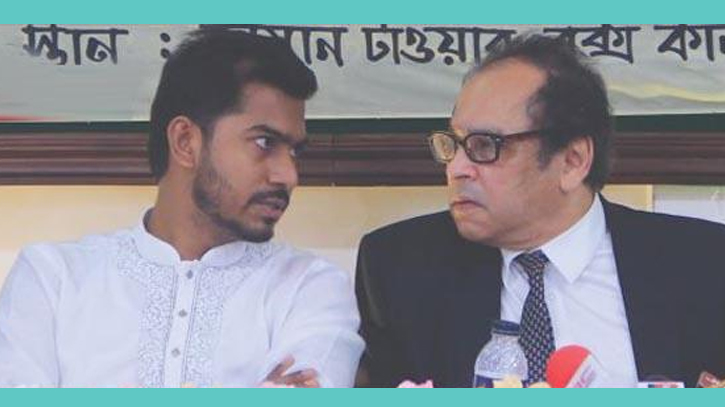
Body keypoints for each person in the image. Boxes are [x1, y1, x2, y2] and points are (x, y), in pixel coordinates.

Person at [355, 34, 725, 388]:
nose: (457, 169)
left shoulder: (704, 264)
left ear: (572, 161)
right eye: (454, 143)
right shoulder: (401, 268)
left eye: (485, 145)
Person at [0, 29, 363, 388]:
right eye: (265, 142)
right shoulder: (52, 279)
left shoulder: (310, 287)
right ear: (185, 141)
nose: (289, 175)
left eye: (295, 151)